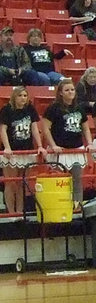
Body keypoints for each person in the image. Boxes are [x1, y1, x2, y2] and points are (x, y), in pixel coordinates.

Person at [41, 78, 91, 207]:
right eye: (67, 90)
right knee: (59, 181)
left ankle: (77, 206)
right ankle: (59, 206)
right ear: (60, 93)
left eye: (72, 89)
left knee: (77, 180)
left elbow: (86, 128)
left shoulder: (79, 108)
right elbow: (45, 128)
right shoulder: (53, 108)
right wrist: (53, 145)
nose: (70, 92)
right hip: (60, 150)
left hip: (76, 148)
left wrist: (89, 143)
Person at [0, 86, 43, 215]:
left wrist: (39, 145)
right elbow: (3, 130)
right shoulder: (6, 110)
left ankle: (20, 212)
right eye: (20, 95)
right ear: (14, 97)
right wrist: (7, 147)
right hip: (12, 152)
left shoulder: (30, 109)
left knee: (22, 183)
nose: (23, 98)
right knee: (10, 183)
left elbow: (34, 129)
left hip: (27, 150)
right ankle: (11, 212)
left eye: (25, 95)